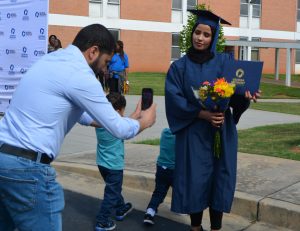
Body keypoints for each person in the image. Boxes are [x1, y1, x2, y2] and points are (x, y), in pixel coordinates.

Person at [0, 24, 156, 231]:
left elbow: (80, 114)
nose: (106, 69)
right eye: (106, 62)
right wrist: (144, 121)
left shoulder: (51, 60)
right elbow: (119, 130)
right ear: (93, 51)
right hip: (29, 169)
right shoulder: (81, 75)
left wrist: (128, 118)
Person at [165, 10, 260, 231]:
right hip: (194, 132)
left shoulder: (225, 63)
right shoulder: (179, 67)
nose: (200, 38)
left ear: (214, 37)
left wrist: (246, 97)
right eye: (197, 32)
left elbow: (237, 97)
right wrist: (202, 114)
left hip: (221, 132)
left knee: (220, 179)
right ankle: (196, 227)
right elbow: (174, 99)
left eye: (206, 35)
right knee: (195, 179)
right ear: (191, 34)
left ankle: (216, 228)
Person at [94, 93, 132, 231]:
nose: (124, 113)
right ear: (117, 111)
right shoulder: (117, 126)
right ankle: (102, 221)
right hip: (114, 166)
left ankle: (121, 208)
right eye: (123, 110)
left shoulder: (98, 121)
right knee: (111, 193)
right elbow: (131, 125)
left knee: (113, 189)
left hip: (101, 163)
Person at [143, 128, 175, 226]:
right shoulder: (181, 135)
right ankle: (178, 208)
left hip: (161, 167)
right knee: (180, 191)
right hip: (175, 170)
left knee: (158, 192)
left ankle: (150, 212)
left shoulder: (164, 132)